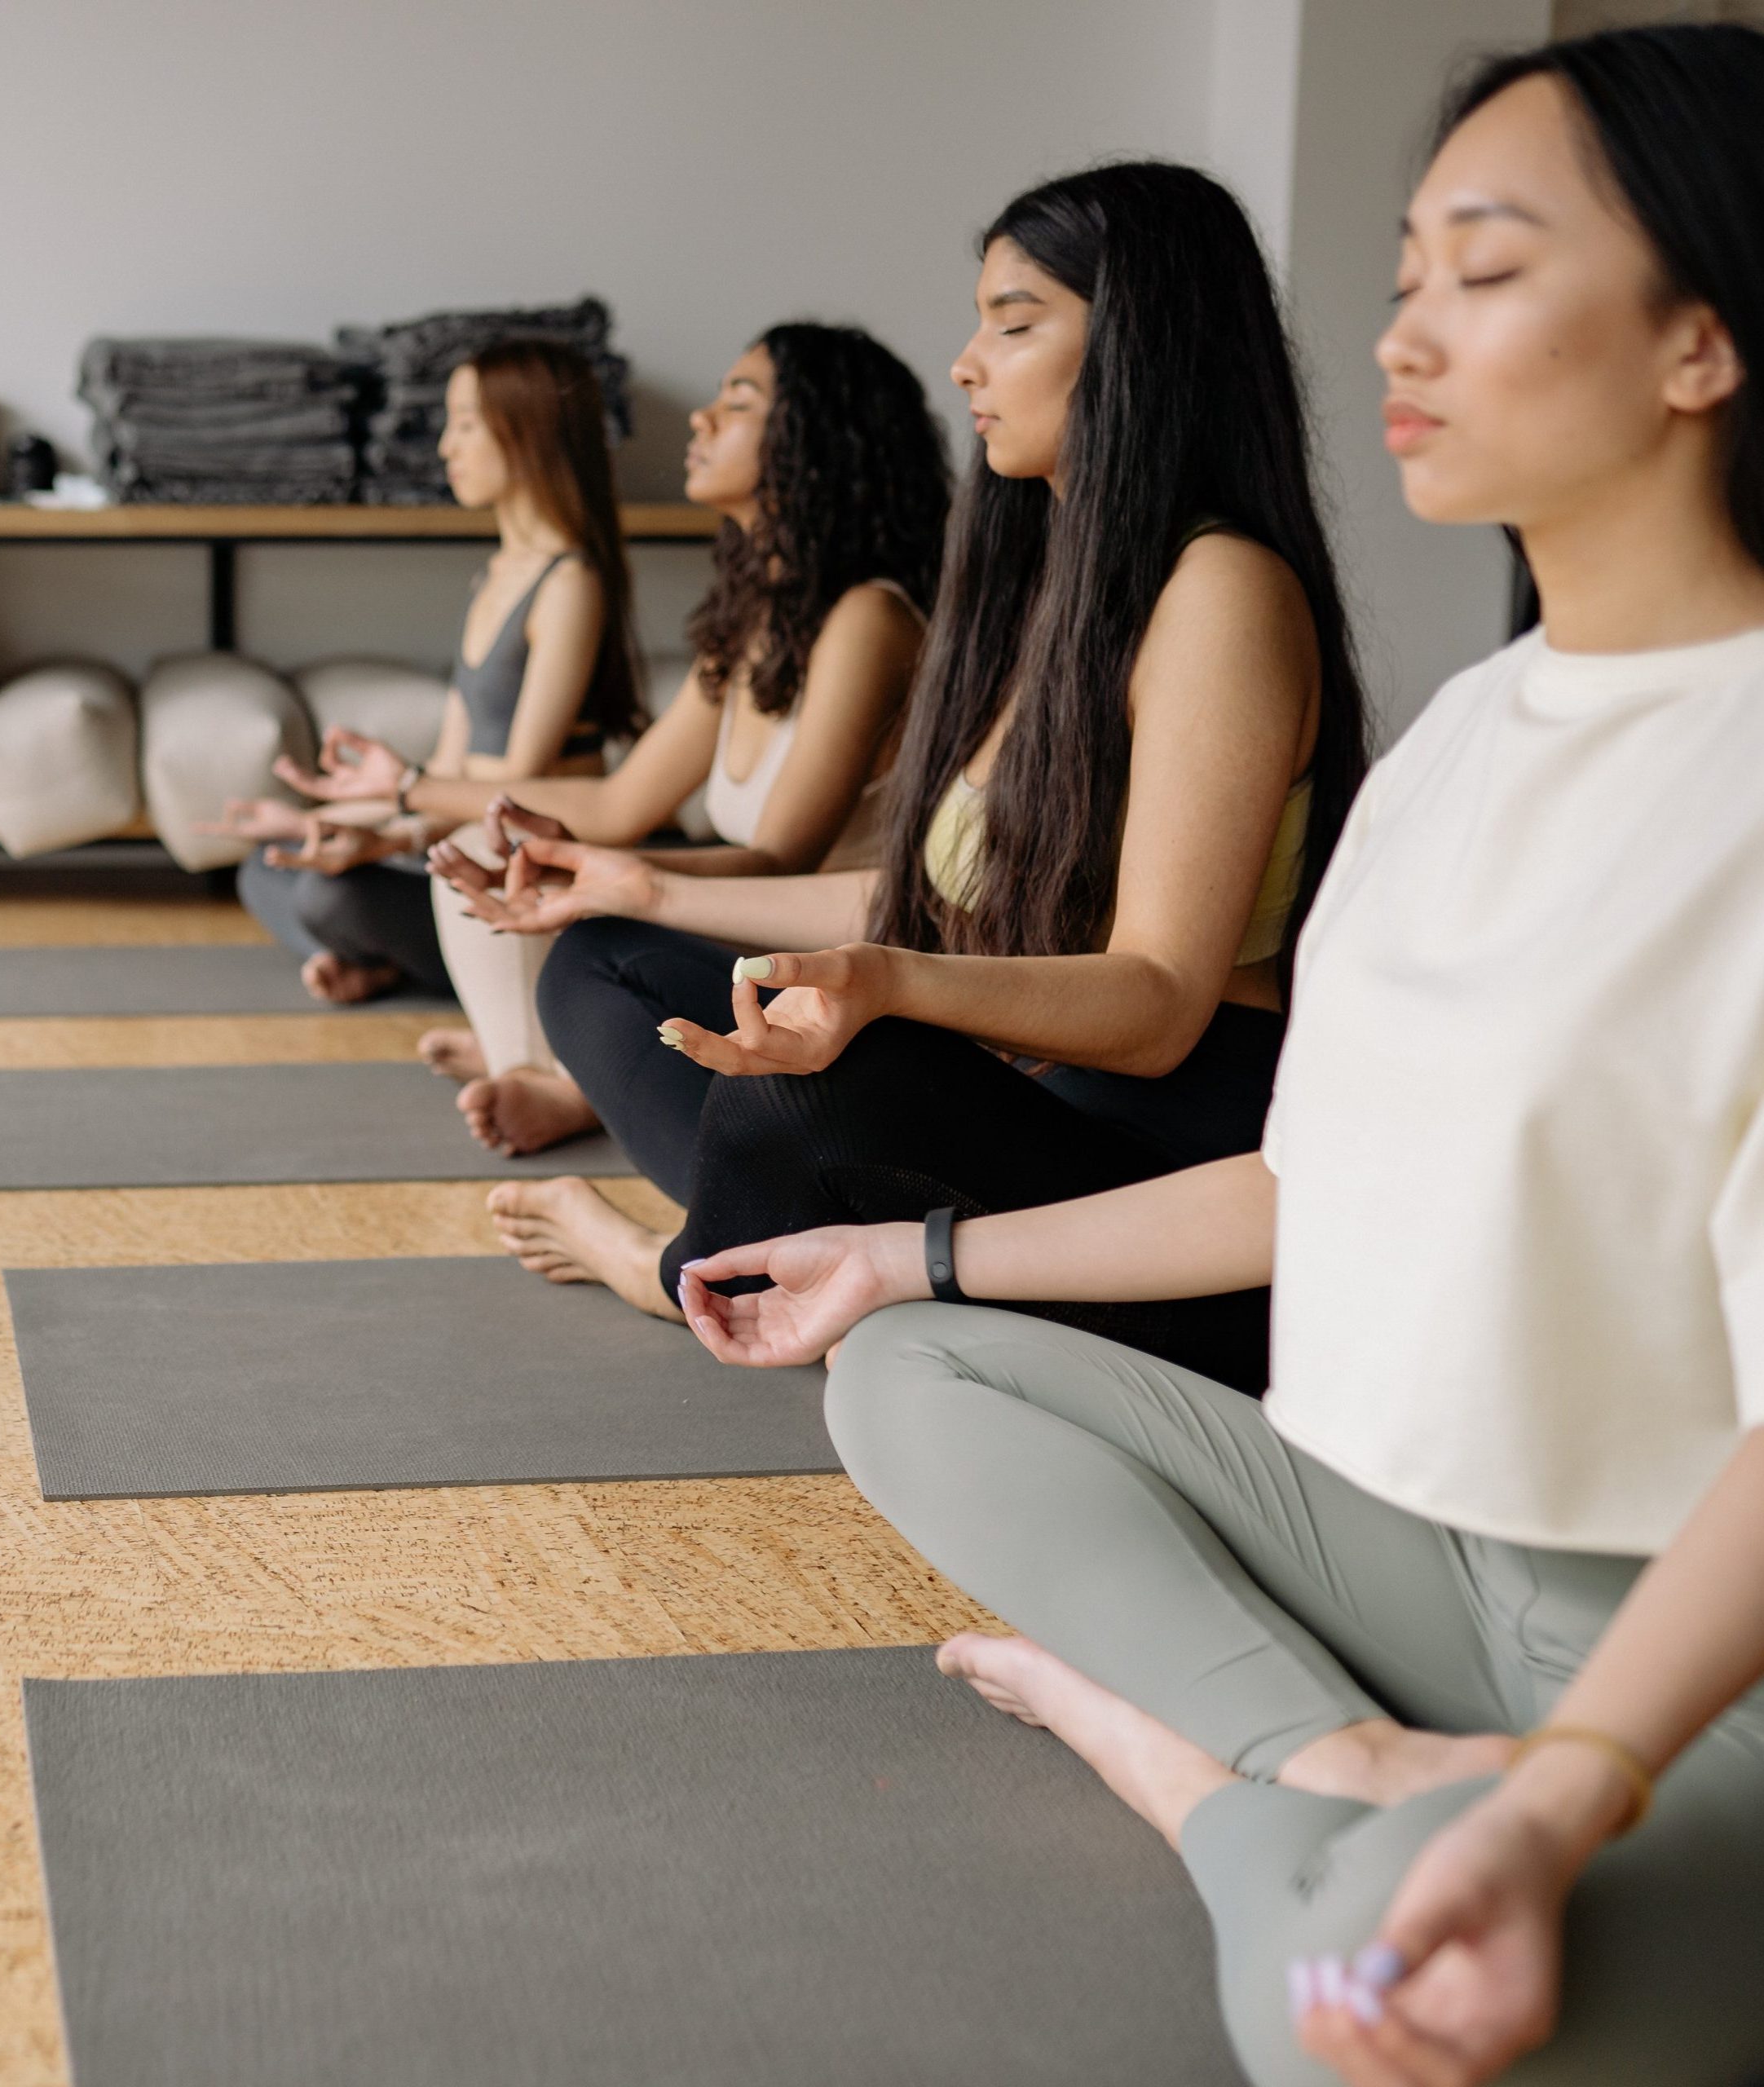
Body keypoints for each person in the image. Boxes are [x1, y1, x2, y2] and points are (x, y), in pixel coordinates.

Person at [681, 27, 1764, 2085]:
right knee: (907, 1359)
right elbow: (1306, 1185)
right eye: (1402, 272)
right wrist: (898, 1261)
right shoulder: (1468, 735)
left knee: (1369, 2013)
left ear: (1702, 344)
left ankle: (1186, 1768)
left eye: (1487, 265)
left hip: (1710, 1654)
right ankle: (1327, 1746)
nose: (1407, 326)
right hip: (1443, 1551)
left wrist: (1568, 1785)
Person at [436, 161, 1368, 1396]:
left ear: (1143, 342)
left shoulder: (1222, 594)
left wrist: (888, 989)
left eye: (1015, 321)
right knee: (604, 961)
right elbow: (906, 900)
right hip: (1028, 1094)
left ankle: (683, 1265)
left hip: (1164, 1160)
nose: (966, 362)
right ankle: (775, 1236)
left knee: (813, 1092)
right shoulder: (1048, 590)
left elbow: (1155, 1007)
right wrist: (636, 883)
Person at [420, 322, 950, 1154]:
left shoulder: (867, 618)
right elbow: (619, 800)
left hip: (829, 963)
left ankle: (557, 1076)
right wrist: (554, 852)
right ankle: (551, 1068)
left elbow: (784, 861)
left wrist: (609, 880)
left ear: (813, 440)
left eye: (736, 401)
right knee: (504, 881)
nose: (699, 420)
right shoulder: (745, 623)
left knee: (590, 951)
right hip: (747, 932)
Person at [210, 338, 642, 1004]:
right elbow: (449, 764)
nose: (446, 447)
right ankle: (383, 960)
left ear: (529, 430)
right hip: (454, 829)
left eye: (466, 423)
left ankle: (387, 961)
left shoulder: (570, 583)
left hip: (514, 862)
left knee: (334, 895)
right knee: (261, 870)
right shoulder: (495, 575)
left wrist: (381, 837)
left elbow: (515, 784)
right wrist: (318, 819)